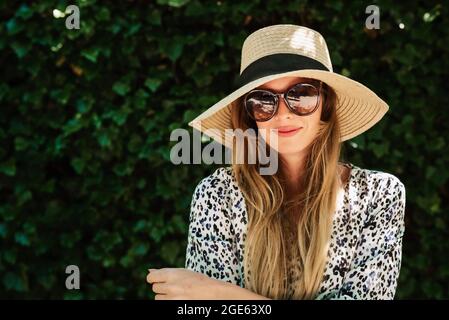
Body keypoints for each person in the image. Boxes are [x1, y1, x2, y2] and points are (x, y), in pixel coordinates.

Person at [147, 24, 406, 300]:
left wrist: (223, 295)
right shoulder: (218, 195)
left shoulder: (380, 195)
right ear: (249, 116)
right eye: (262, 100)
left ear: (326, 105)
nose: (282, 114)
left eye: (302, 94)